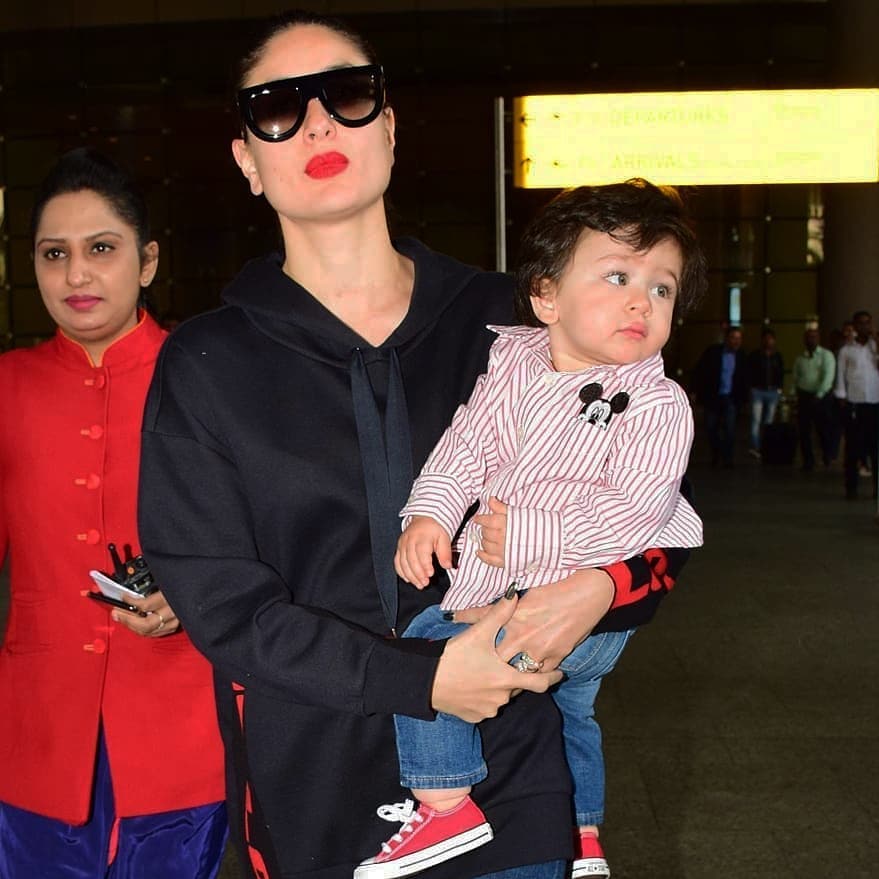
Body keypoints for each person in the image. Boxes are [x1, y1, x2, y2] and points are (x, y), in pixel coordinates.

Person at [136, 12, 693, 879]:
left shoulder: (512, 323)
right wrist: (420, 680)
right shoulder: (208, 361)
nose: (318, 124)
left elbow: (658, 517)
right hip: (315, 779)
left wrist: (596, 590)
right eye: (278, 108)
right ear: (246, 159)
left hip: (512, 768)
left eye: (347, 95)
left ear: (389, 128)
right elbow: (222, 605)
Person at [353, 181, 705, 879]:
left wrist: (529, 538)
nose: (641, 301)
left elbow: (640, 512)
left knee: (428, 649)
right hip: (518, 588)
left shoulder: (657, 403)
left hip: (585, 610)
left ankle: (444, 804)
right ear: (546, 296)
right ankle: (584, 834)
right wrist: (430, 512)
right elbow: (464, 448)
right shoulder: (512, 364)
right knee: (571, 714)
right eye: (617, 277)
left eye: (661, 288)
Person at [0, 148, 227, 878]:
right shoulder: (8, 387)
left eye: (101, 249)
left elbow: (261, 547)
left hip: (182, 726)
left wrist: (194, 598)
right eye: (54, 254)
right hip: (33, 734)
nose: (76, 275)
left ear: (148, 260)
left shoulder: (209, 380)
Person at [833, 310, 879, 499]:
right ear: (854, 326)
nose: (864, 326)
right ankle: (851, 488)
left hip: (875, 402)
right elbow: (840, 375)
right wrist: (842, 397)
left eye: (867, 323)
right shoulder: (846, 350)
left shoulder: (875, 346)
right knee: (853, 449)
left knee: (876, 449)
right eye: (860, 323)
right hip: (854, 404)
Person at [692, 325, 748, 468]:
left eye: (739, 338)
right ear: (726, 339)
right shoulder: (713, 352)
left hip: (731, 398)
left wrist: (743, 399)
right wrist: (696, 391)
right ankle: (716, 454)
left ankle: (728, 458)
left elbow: (744, 379)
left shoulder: (741, 356)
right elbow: (700, 371)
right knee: (711, 428)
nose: (736, 341)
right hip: (713, 397)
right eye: (733, 338)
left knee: (730, 430)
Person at [792, 325, 836, 471]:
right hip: (804, 396)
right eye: (808, 337)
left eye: (814, 337)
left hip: (821, 397)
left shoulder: (826, 355)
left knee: (822, 429)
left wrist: (819, 395)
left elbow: (828, 377)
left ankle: (827, 455)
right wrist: (794, 394)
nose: (811, 340)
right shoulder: (800, 358)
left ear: (819, 339)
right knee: (804, 431)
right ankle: (808, 461)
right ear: (804, 340)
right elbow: (795, 377)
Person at [745, 327, 784, 459]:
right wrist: (751, 388)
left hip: (773, 391)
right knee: (755, 420)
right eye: (766, 339)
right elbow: (749, 373)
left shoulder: (777, 356)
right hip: (758, 391)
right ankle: (755, 447)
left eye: (770, 339)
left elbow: (780, 373)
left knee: (769, 422)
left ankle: (767, 447)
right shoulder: (755, 356)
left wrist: (779, 389)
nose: (768, 342)